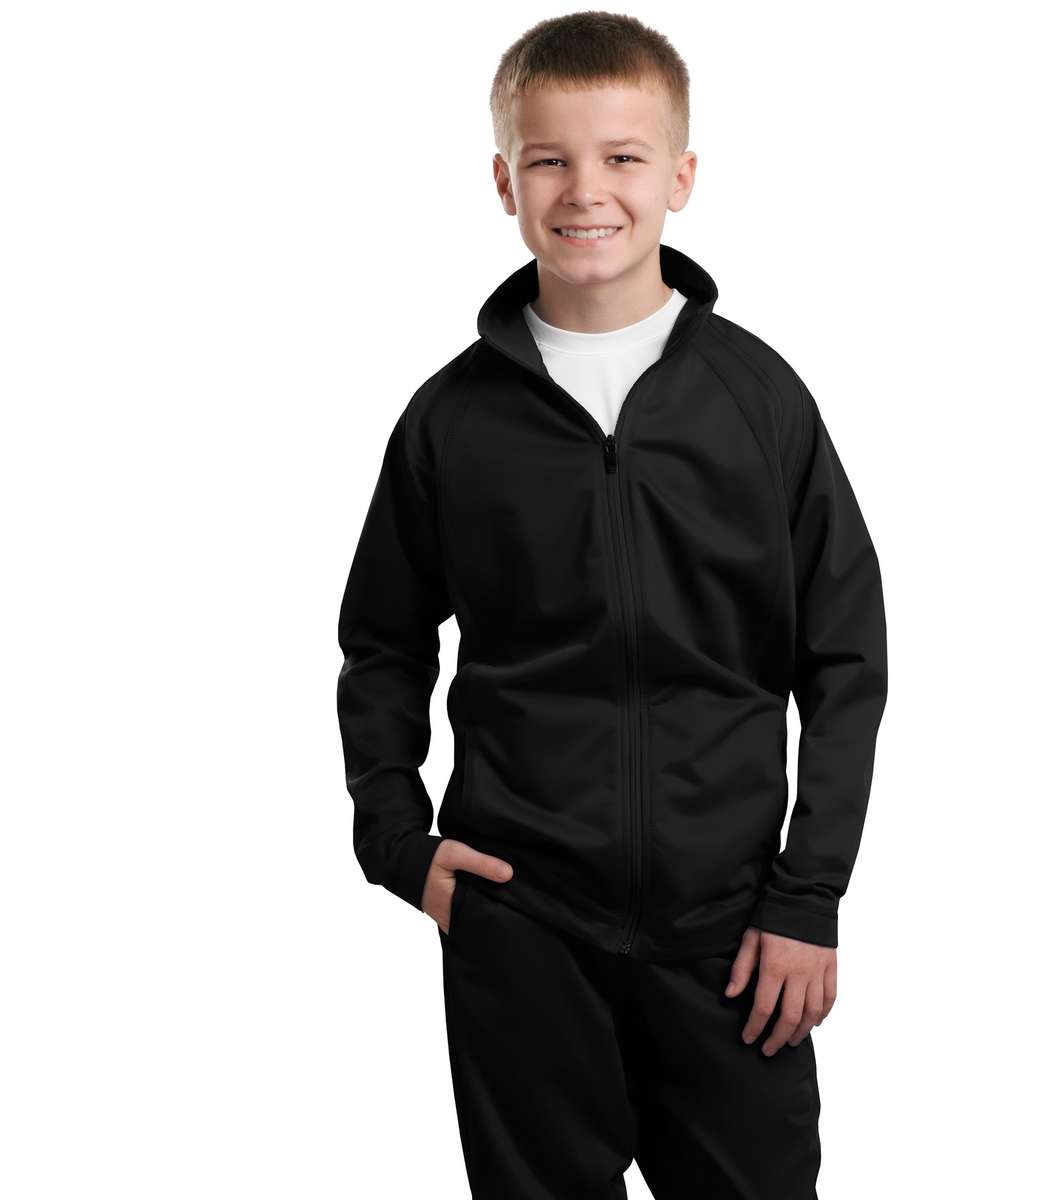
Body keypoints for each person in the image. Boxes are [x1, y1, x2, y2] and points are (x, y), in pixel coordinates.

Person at [336, 12, 888, 1198]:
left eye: (623, 157)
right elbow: (382, 642)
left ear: (680, 177)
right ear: (505, 182)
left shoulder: (759, 401)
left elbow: (846, 658)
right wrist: (396, 841)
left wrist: (808, 898)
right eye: (550, 160)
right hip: (521, 925)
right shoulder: (451, 420)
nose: (587, 190)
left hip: (735, 938)